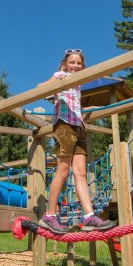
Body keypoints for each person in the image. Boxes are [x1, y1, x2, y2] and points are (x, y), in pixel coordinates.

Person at [37, 49, 116, 234]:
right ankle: (49, 215)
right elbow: (41, 88)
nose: (75, 66)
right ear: (65, 64)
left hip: (78, 127)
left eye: (78, 63)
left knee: (80, 172)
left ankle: (89, 217)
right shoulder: (60, 76)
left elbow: (75, 106)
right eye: (72, 62)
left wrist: (92, 108)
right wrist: (55, 86)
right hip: (64, 125)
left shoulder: (77, 85)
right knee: (63, 170)